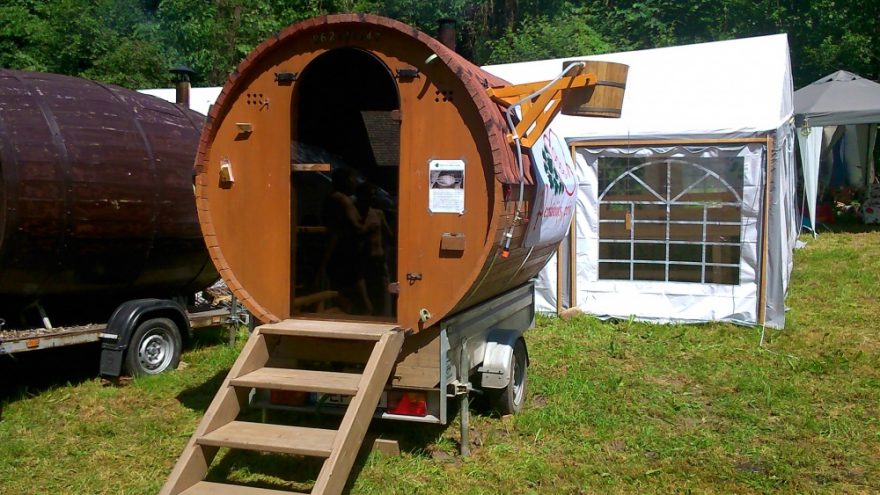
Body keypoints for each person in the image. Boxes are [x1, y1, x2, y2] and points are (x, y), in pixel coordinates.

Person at [320, 168, 373, 314]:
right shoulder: (341, 199)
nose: (355, 183)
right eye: (353, 179)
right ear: (345, 181)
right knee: (359, 303)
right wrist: (370, 226)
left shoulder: (340, 199)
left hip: (345, 257)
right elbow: (356, 227)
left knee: (347, 299)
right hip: (345, 257)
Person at [355, 182, 393, 316]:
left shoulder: (378, 214)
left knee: (383, 293)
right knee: (366, 297)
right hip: (363, 261)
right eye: (368, 195)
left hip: (379, 260)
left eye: (373, 195)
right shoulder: (354, 213)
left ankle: (384, 318)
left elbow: (389, 235)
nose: (372, 198)